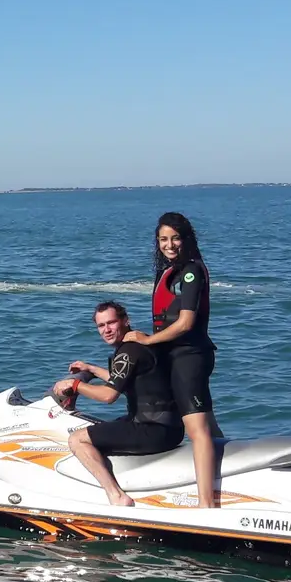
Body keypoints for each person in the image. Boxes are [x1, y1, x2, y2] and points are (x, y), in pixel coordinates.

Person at [120, 212, 225, 509]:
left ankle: (207, 506)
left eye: (175, 238)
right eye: (163, 239)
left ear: (186, 239)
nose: (169, 244)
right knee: (206, 425)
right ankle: (229, 476)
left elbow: (185, 323)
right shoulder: (168, 271)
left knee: (197, 429)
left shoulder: (191, 271)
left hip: (189, 358)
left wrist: (147, 341)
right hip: (172, 357)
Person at [50, 301, 184, 507]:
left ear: (125, 320)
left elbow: (108, 395)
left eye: (111, 323)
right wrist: (92, 369)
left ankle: (117, 496)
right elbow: (120, 381)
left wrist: (75, 385)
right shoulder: (139, 344)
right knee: (102, 429)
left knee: (77, 439)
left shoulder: (128, 351)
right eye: (101, 326)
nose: (107, 330)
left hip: (153, 429)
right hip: (167, 426)